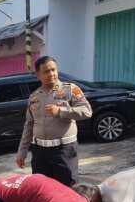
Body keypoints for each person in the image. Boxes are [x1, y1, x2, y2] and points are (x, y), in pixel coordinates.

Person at [15, 56, 92, 187]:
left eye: (53, 70)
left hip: (64, 151)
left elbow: (87, 111)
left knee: (68, 190)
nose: (52, 74)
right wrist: (22, 152)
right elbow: (29, 125)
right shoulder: (34, 96)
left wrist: (61, 111)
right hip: (40, 152)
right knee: (43, 189)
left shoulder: (70, 89)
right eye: (46, 71)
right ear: (38, 75)